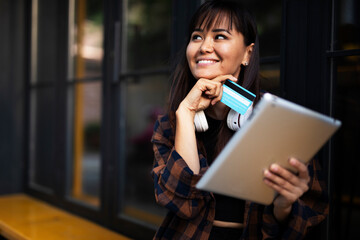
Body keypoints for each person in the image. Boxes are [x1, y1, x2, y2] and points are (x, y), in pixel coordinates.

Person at [151, 0, 328, 239]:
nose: (204, 47)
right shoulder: (169, 125)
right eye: (196, 36)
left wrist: (285, 204)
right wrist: (186, 114)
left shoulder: (276, 119)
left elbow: (310, 213)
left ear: (247, 53)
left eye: (220, 36)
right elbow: (181, 203)